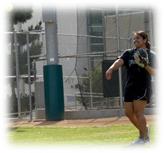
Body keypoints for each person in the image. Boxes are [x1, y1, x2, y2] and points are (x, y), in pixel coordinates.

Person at [105, 31, 155, 145]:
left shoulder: (150, 54)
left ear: (144, 40)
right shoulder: (128, 53)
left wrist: (145, 65)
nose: (135, 40)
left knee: (138, 112)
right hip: (130, 86)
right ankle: (144, 131)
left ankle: (144, 138)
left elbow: (155, 73)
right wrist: (111, 69)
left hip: (142, 86)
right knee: (128, 113)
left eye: (138, 38)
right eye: (134, 39)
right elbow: (119, 61)